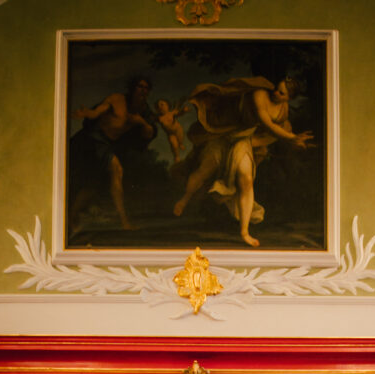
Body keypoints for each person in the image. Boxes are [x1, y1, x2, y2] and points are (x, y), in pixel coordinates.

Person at [173, 76, 312, 247]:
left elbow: (273, 131)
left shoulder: (283, 111)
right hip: (225, 133)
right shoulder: (260, 94)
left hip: (243, 139)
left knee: (246, 180)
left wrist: (293, 140)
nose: (275, 92)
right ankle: (185, 198)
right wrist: (292, 137)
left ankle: (244, 232)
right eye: (276, 88)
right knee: (205, 170)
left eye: (281, 92)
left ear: (288, 98)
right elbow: (267, 124)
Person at [69, 76, 158, 231]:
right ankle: (124, 222)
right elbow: (97, 112)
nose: (143, 90)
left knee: (93, 184)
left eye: (146, 88)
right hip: (93, 139)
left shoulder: (144, 110)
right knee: (114, 171)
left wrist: (141, 122)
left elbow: (149, 133)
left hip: (108, 145)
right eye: (139, 86)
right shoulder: (117, 99)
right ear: (132, 88)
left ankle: (73, 216)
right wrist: (87, 113)